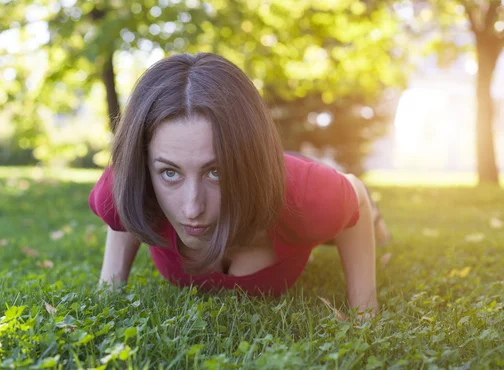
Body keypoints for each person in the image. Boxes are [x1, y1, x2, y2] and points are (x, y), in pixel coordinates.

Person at [89, 52, 390, 316]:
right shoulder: (124, 188)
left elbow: (356, 195)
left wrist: (364, 311)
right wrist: (109, 290)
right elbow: (122, 209)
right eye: (170, 173)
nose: (193, 207)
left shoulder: (305, 195)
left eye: (216, 172)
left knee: (333, 224)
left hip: (288, 184)